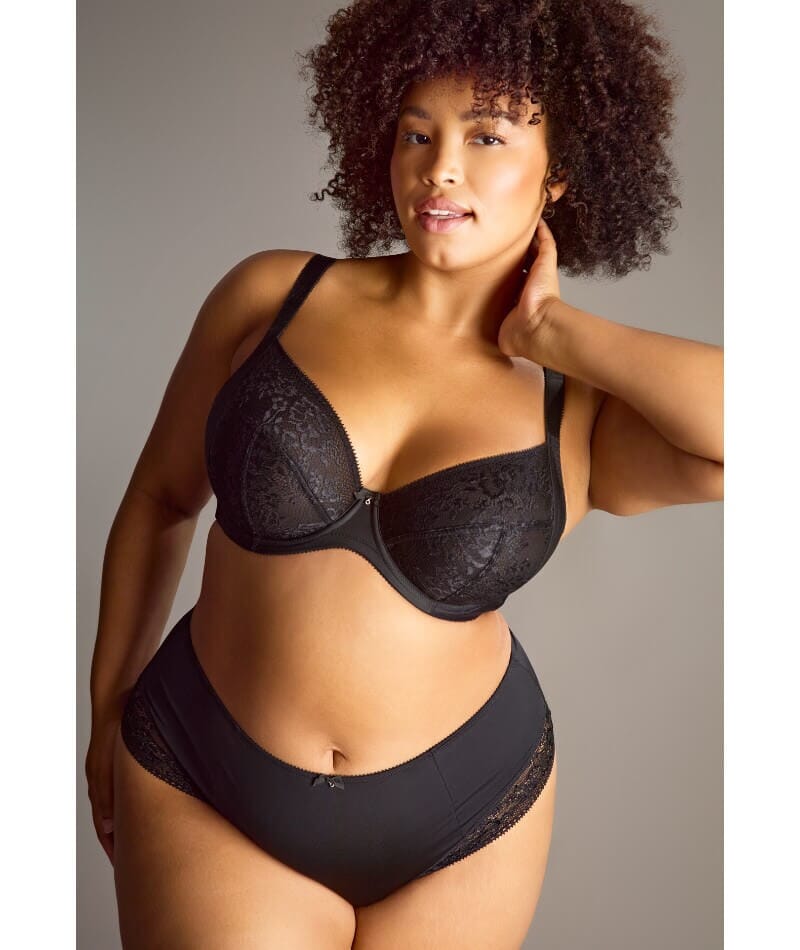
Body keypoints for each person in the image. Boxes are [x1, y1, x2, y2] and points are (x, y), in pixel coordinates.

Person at [85, 0, 722, 946]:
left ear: (561, 172)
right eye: (417, 133)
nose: (440, 167)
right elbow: (160, 500)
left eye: (487, 135)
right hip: (210, 779)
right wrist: (105, 706)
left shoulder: (581, 413)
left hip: (466, 822)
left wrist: (555, 332)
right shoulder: (275, 296)